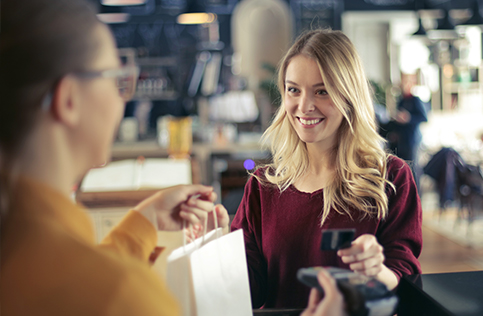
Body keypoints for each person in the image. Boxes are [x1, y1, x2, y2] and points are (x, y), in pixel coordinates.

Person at [0, 0, 233, 314]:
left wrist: (145, 221)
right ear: (69, 99)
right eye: (114, 78)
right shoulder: (121, 294)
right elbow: (98, 287)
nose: (122, 97)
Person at [229, 29, 423, 309]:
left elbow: (405, 280)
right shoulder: (263, 186)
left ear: (348, 96)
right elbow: (251, 292)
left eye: (322, 91)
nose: (304, 106)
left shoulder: (391, 178)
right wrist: (212, 255)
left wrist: (376, 270)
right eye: (293, 89)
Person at [387, 73, 428, 173]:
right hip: (401, 141)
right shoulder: (401, 101)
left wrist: (408, 118)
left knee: (413, 169)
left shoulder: (415, 100)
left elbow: (424, 118)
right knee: (402, 168)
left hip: (412, 140)